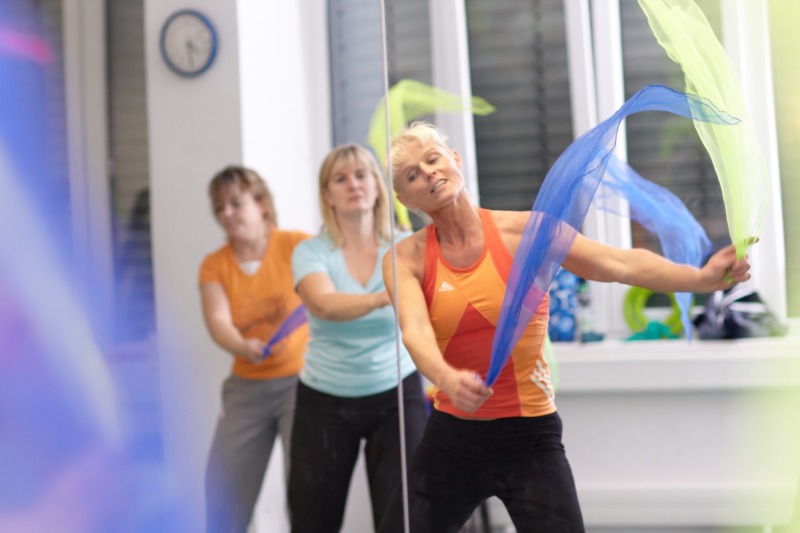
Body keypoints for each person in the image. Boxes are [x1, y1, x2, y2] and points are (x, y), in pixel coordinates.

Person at [378, 122, 751, 533]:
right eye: (412, 175)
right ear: (404, 198)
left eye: (433, 159)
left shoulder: (527, 232)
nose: (428, 172)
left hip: (529, 437)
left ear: (456, 160)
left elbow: (617, 264)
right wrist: (446, 378)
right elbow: (414, 331)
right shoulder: (404, 259)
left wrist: (698, 280)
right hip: (452, 439)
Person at [288, 144, 428, 533]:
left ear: (379, 186)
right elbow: (325, 304)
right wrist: (387, 295)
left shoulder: (405, 246)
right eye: (341, 178)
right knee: (312, 519)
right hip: (325, 400)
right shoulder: (310, 251)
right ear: (327, 195)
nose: (354, 184)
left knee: (404, 518)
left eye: (362, 174)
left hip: (397, 394)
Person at [199, 165, 309, 533]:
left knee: (307, 493)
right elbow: (218, 321)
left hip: (301, 385)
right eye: (219, 208)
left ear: (261, 203)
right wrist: (243, 345)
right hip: (246, 391)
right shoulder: (214, 266)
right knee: (223, 497)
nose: (226, 214)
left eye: (235, 203)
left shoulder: (296, 246)